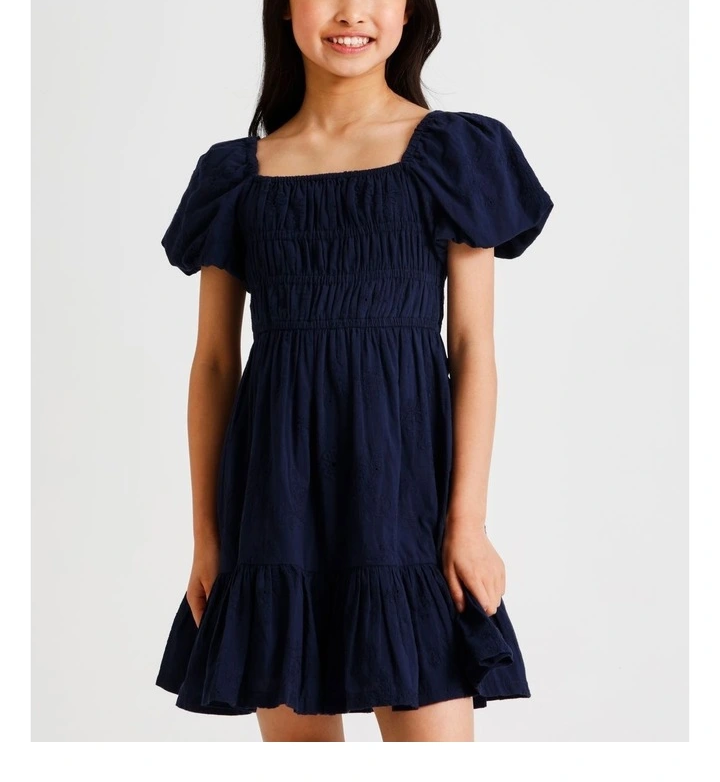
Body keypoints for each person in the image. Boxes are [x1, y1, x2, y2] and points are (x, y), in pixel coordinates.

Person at [155, 0, 554, 742]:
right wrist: (207, 537)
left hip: (405, 497)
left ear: (408, 13)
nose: (351, 13)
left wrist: (467, 523)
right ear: (285, 10)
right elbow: (213, 362)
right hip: (273, 505)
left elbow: (473, 347)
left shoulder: (454, 154)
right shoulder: (235, 174)